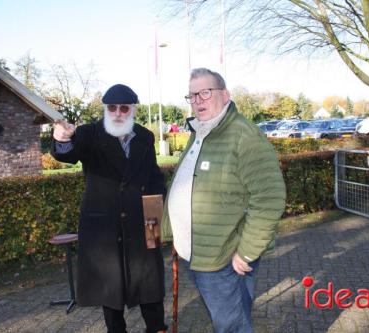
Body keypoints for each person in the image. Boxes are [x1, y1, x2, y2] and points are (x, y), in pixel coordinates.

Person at [161, 68, 286, 333]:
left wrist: (248, 251)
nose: (198, 100)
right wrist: (177, 233)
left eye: (205, 92)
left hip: (224, 255)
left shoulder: (244, 136)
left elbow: (269, 198)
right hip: (198, 251)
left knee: (231, 326)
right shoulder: (202, 132)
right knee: (233, 318)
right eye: (192, 95)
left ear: (225, 94)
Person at [51, 84, 168, 333]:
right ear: (105, 109)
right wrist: (61, 138)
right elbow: (68, 153)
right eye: (111, 107)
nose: (117, 112)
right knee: (110, 287)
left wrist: (157, 217)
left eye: (124, 107)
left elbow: (154, 176)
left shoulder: (145, 136)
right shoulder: (89, 134)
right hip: (104, 227)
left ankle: (157, 328)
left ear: (133, 110)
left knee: (150, 283)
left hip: (144, 221)